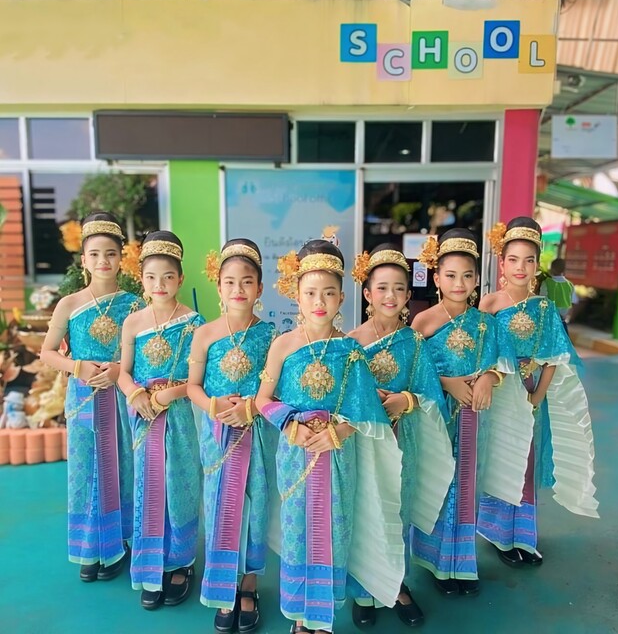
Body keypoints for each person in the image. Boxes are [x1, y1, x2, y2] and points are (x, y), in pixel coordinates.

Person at [255, 239, 405, 634]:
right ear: (296, 296)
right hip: (296, 453)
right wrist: (290, 424)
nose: (319, 301)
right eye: (310, 293)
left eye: (328, 293)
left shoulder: (351, 349)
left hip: (339, 456)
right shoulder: (282, 345)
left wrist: (340, 431)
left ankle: (323, 618)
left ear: (342, 297)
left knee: (334, 529)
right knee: (297, 530)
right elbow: (261, 399)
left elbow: (367, 409)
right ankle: (299, 616)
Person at [476, 218, 598, 569]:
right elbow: (482, 354)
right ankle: (499, 534)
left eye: (529, 260)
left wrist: (538, 396)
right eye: (513, 259)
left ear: (536, 265)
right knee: (503, 459)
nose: (521, 267)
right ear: (502, 263)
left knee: (526, 464)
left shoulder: (543, 307)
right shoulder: (489, 304)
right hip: (500, 396)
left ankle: (524, 537)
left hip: (531, 396)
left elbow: (554, 357)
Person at [348, 244, 455, 628]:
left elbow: (431, 394)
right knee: (366, 508)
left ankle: (396, 585)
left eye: (398, 288)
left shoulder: (414, 342)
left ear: (409, 295)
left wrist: (404, 400)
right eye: (382, 288)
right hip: (362, 442)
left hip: (403, 441)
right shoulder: (350, 343)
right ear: (367, 294)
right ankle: (364, 590)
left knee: (397, 509)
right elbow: (342, 397)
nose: (390, 296)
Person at [41, 212, 141, 583]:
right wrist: (77, 366)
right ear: (83, 260)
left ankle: (118, 543)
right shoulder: (69, 304)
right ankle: (90, 549)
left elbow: (141, 358)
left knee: (122, 466)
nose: (103, 261)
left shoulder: (135, 305)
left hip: (121, 398)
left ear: (121, 258)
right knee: (86, 471)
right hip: (83, 399)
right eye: (95, 254)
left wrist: (118, 371)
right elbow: (47, 352)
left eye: (111, 253)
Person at [187, 239, 277, 634]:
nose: (238, 289)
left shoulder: (271, 336)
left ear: (260, 288)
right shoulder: (204, 334)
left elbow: (277, 390)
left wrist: (251, 407)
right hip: (218, 434)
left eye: (247, 281)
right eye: (230, 282)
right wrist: (214, 406)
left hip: (257, 434)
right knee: (220, 503)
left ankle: (250, 584)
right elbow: (193, 386)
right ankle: (223, 587)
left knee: (256, 504)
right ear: (219, 287)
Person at [411, 229, 502, 596]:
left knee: (466, 484)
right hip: (436, 417)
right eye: (450, 275)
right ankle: (435, 562)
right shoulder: (422, 321)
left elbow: (499, 363)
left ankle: (462, 565)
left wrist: (489, 379)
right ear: (436, 279)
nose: (459, 283)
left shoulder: (485, 323)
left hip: (473, 418)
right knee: (439, 481)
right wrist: (447, 383)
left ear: (477, 279)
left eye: (467, 275)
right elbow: (412, 372)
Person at [118, 230, 205, 610]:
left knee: (180, 484)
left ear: (180, 279)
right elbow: (123, 372)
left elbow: (201, 378)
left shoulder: (194, 322)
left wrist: (171, 393)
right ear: (141, 279)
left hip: (181, 414)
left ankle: (181, 562)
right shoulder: (132, 322)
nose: (160, 284)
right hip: (143, 416)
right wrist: (135, 394)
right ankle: (150, 566)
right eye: (152, 277)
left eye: (168, 276)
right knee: (148, 486)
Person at [540, 258, 578, 330]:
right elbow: (573, 302)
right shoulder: (569, 285)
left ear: (551, 269)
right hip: (563, 320)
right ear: (564, 270)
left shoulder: (546, 282)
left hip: (549, 319)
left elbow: (542, 299)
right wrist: (568, 317)